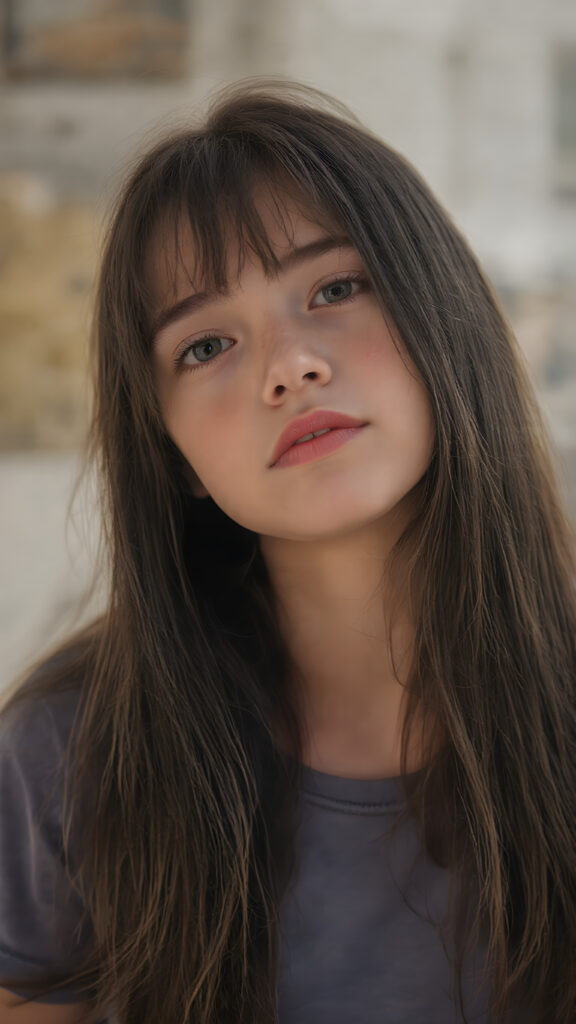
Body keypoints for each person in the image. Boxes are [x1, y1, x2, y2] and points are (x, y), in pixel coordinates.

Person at [0, 80, 574, 1024]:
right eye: (206, 345)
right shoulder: (69, 758)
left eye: (335, 288)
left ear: (446, 319)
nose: (289, 366)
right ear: (172, 455)